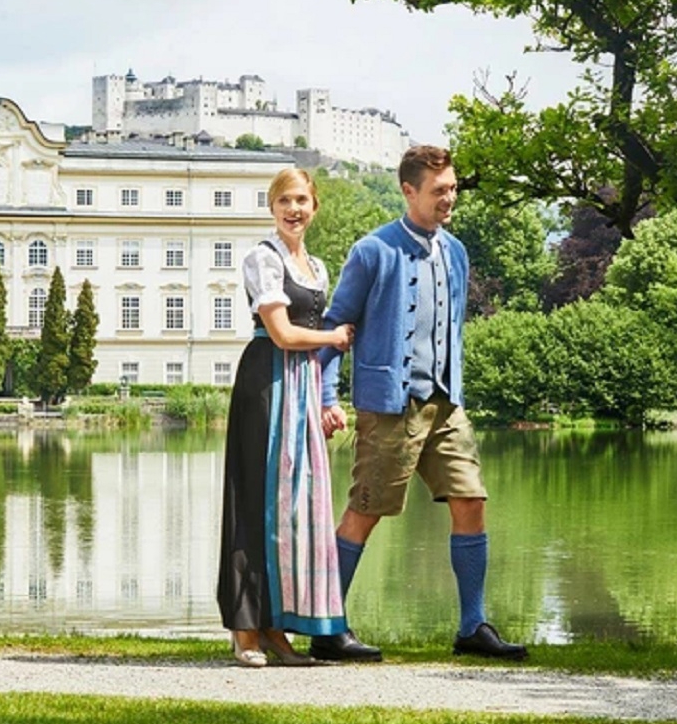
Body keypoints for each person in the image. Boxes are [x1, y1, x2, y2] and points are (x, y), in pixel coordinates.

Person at [313, 145, 528, 662]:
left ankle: (472, 626)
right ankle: (327, 627)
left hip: (447, 403)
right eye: (439, 190)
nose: (449, 198)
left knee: (471, 500)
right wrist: (326, 396)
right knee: (365, 510)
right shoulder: (372, 251)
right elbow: (336, 327)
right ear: (409, 191)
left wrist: (453, 384)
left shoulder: (455, 251)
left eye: (453, 188)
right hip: (390, 406)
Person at [217, 168, 355, 668]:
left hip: (300, 386)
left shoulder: (315, 265)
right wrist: (336, 337)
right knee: (258, 503)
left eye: (302, 200)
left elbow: (309, 343)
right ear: (272, 207)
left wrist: (324, 400)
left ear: (315, 207)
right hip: (267, 385)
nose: (294, 209)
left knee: (295, 510)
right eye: (284, 201)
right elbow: (282, 333)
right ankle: (246, 629)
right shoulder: (263, 258)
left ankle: (278, 628)